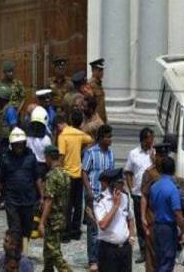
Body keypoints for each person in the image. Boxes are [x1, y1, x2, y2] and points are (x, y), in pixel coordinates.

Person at [0, 128, 42, 253]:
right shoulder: (5, 159)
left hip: (28, 200)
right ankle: (15, 254)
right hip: (12, 200)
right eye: (16, 144)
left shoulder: (31, 158)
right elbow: (0, 181)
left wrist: (42, 196)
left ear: (24, 144)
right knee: (15, 229)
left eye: (21, 144)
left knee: (27, 229)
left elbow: (37, 178)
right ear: (12, 145)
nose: (18, 147)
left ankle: (24, 252)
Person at [57, 110, 92, 243]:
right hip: (78, 174)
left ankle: (65, 233)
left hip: (67, 174)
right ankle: (75, 231)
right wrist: (82, 150)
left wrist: (58, 172)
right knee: (78, 204)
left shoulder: (63, 135)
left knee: (67, 205)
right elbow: (90, 140)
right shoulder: (79, 134)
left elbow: (61, 156)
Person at [82, 124, 115, 269]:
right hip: (93, 194)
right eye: (108, 137)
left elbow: (112, 174)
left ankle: (102, 257)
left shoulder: (111, 154)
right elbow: (83, 172)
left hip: (106, 196)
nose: (111, 139)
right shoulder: (90, 152)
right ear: (101, 138)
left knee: (105, 227)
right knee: (93, 228)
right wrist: (88, 190)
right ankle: (93, 260)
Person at [123, 127, 154, 263]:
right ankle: (143, 251)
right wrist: (130, 188)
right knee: (141, 223)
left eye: (152, 139)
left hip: (152, 194)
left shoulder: (155, 153)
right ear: (143, 140)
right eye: (149, 139)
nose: (151, 142)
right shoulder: (133, 154)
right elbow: (128, 172)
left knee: (152, 221)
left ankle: (152, 249)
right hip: (137, 194)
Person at [94, 168, 134, 272]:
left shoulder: (125, 197)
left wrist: (131, 237)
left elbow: (130, 218)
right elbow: (103, 225)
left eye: (122, 183)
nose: (122, 186)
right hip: (109, 250)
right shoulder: (100, 200)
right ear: (111, 185)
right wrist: (115, 206)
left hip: (125, 249)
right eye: (119, 183)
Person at [150, 157, 184, 272]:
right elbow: (177, 212)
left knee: (159, 260)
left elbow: (152, 205)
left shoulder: (154, 186)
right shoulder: (173, 189)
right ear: (174, 170)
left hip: (156, 226)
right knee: (168, 261)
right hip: (168, 228)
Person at [39, 145, 71, 272]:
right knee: (48, 253)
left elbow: (49, 200)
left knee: (54, 252)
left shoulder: (52, 176)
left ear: (48, 157)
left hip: (52, 219)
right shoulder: (65, 175)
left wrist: (42, 221)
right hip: (62, 217)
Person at [140, 143, 170, 272]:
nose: (162, 159)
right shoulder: (149, 173)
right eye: (160, 156)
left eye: (165, 156)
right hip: (153, 218)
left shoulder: (169, 172)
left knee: (166, 253)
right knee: (152, 254)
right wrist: (142, 217)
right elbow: (144, 196)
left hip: (167, 219)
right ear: (155, 156)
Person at [0, 83, 18, 162]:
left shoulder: (9, 110)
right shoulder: (1, 110)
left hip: (5, 145)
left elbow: (14, 128)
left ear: (1, 98)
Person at [25, 106, 52, 180]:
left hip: (30, 165)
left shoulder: (28, 137)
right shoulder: (47, 139)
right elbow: (48, 154)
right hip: (42, 167)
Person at [87, 58, 107, 123]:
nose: (102, 72)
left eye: (102, 70)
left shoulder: (99, 84)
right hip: (95, 120)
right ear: (94, 70)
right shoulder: (90, 85)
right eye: (100, 70)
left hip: (102, 118)